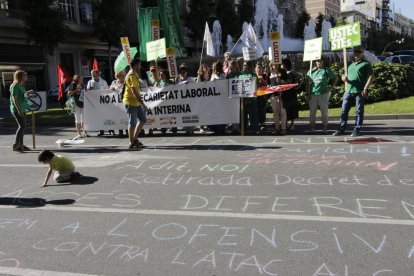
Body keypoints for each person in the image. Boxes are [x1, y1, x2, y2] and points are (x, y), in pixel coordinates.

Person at [333, 46, 374, 137]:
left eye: (359, 52)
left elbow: (371, 77)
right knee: (343, 111)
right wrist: (343, 78)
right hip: (348, 91)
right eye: (355, 51)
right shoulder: (348, 64)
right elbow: (343, 75)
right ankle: (341, 129)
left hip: (359, 92)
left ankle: (357, 129)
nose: (357, 53)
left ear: (362, 53)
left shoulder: (365, 64)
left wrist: (365, 88)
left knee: (359, 111)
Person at [305, 56, 338, 134]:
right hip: (313, 94)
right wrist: (307, 93)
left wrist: (331, 88)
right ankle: (312, 127)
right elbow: (307, 84)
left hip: (323, 94)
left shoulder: (326, 70)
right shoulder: (310, 72)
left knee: (324, 112)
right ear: (315, 62)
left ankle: (325, 128)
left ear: (323, 62)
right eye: (317, 61)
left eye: (321, 61)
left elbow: (335, 78)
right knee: (312, 112)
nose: (319, 62)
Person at [123, 58, 148, 150]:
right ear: (136, 65)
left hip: (135, 102)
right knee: (132, 123)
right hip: (130, 102)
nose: (140, 66)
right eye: (139, 64)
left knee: (143, 119)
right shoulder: (131, 76)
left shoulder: (134, 74)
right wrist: (144, 104)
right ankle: (131, 142)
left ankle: (135, 138)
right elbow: (134, 92)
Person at [9, 70, 34, 152]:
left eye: (26, 74)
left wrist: (27, 94)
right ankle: (16, 144)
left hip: (23, 108)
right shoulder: (15, 85)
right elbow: (14, 99)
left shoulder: (21, 86)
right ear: (20, 76)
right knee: (22, 126)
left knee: (23, 127)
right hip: (17, 109)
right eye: (24, 75)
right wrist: (19, 110)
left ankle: (21, 145)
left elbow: (22, 96)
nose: (26, 76)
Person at [87, 69, 109, 136]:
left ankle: (110, 129)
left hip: (103, 101)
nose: (93, 76)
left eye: (94, 75)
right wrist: (89, 89)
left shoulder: (103, 82)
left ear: (98, 75)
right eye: (92, 75)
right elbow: (87, 91)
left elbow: (108, 90)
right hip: (95, 102)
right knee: (98, 116)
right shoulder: (90, 82)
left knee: (104, 115)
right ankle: (100, 130)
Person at [239, 60, 259, 133]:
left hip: (252, 99)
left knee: (253, 114)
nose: (244, 67)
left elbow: (256, 87)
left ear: (249, 67)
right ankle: (243, 128)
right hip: (242, 100)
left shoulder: (253, 75)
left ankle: (254, 128)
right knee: (243, 115)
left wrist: (250, 99)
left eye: (245, 65)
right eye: (243, 65)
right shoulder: (240, 75)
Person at [281, 58, 300, 131]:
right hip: (285, 93)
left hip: (291, 93)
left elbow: (299, 79)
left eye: (282, 64)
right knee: (286, 109)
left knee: (291, 109)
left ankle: (291, 124)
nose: (281, 65)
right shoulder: (282, 73)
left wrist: (297, 86)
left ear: (285, 65)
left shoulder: (291, 73)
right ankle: (286, 124)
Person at [67, 75, 88, 140]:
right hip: (76, 103)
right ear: (77, 79)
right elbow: (69, 93)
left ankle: (84, 132)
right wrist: (76, 90)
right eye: (81, 78)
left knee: (84, 118)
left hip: (82, 103)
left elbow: (85, 91)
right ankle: (79, 133)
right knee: (77, 119)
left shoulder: (82, 84)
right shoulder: (73, 84)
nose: (82, 79)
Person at [269, 64, 288, 135]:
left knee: (283, 112)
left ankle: (283, 128)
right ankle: (277, 128)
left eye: (276, 63)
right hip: (273, 95)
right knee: (275, 113)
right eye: (273, 64)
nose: (275, 65)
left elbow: (287, 82)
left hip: (281, 95)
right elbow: (268, 83)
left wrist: (281, 80)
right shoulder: (270, 72)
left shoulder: (283, 71)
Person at [177, 63, 195, 135]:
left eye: (183, 72)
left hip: (189, 100)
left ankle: (191, 128)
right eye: (181, 72)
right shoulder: (178, 80)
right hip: (182, 100)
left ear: (186, 72)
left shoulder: (190, 79)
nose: (182, 74)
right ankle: (187, 128)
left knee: (190, 114)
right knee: (184, 114)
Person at [110, 70, 127, 136]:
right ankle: (120, 131)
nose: (123, 77)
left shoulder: (126, 83)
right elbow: (110, 88)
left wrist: (116, 90)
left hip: (124, 103)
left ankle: (127, 130)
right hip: (116, 104)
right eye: (121, 76)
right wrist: (112, 88)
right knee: (118, 116)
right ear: (117, 76)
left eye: (123, 76)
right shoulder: (114, 82)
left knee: (125, 116)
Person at [255, 63, 268, 131]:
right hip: (256, 95)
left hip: (262, 95)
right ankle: (257, 122)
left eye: (260, 67)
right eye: (257, 67)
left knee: (262, 109)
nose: (259, 69)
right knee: (256, 109)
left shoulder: (264, 75)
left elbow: (266, 84)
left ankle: (262, 123)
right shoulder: (254, 75)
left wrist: (262, 79)